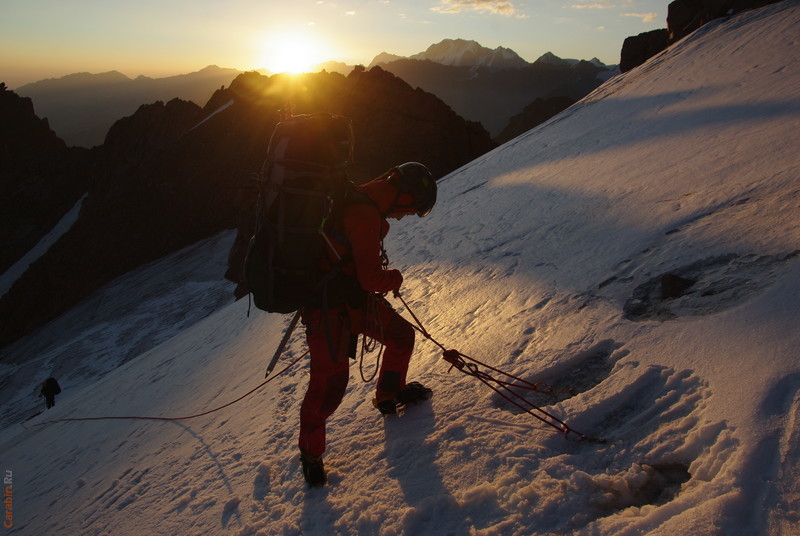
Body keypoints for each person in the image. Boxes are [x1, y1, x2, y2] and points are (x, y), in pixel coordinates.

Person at [298, 162, 438, 487]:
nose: (404, 217)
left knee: (401, 336)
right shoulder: (365, 214)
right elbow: (371, 278)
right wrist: (395, 278)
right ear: (404, 195)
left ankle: (390, 393)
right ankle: (311, 454)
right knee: (329, 387)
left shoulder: (366, 198)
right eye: (410, 209)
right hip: (328, 311)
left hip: (352, 301)